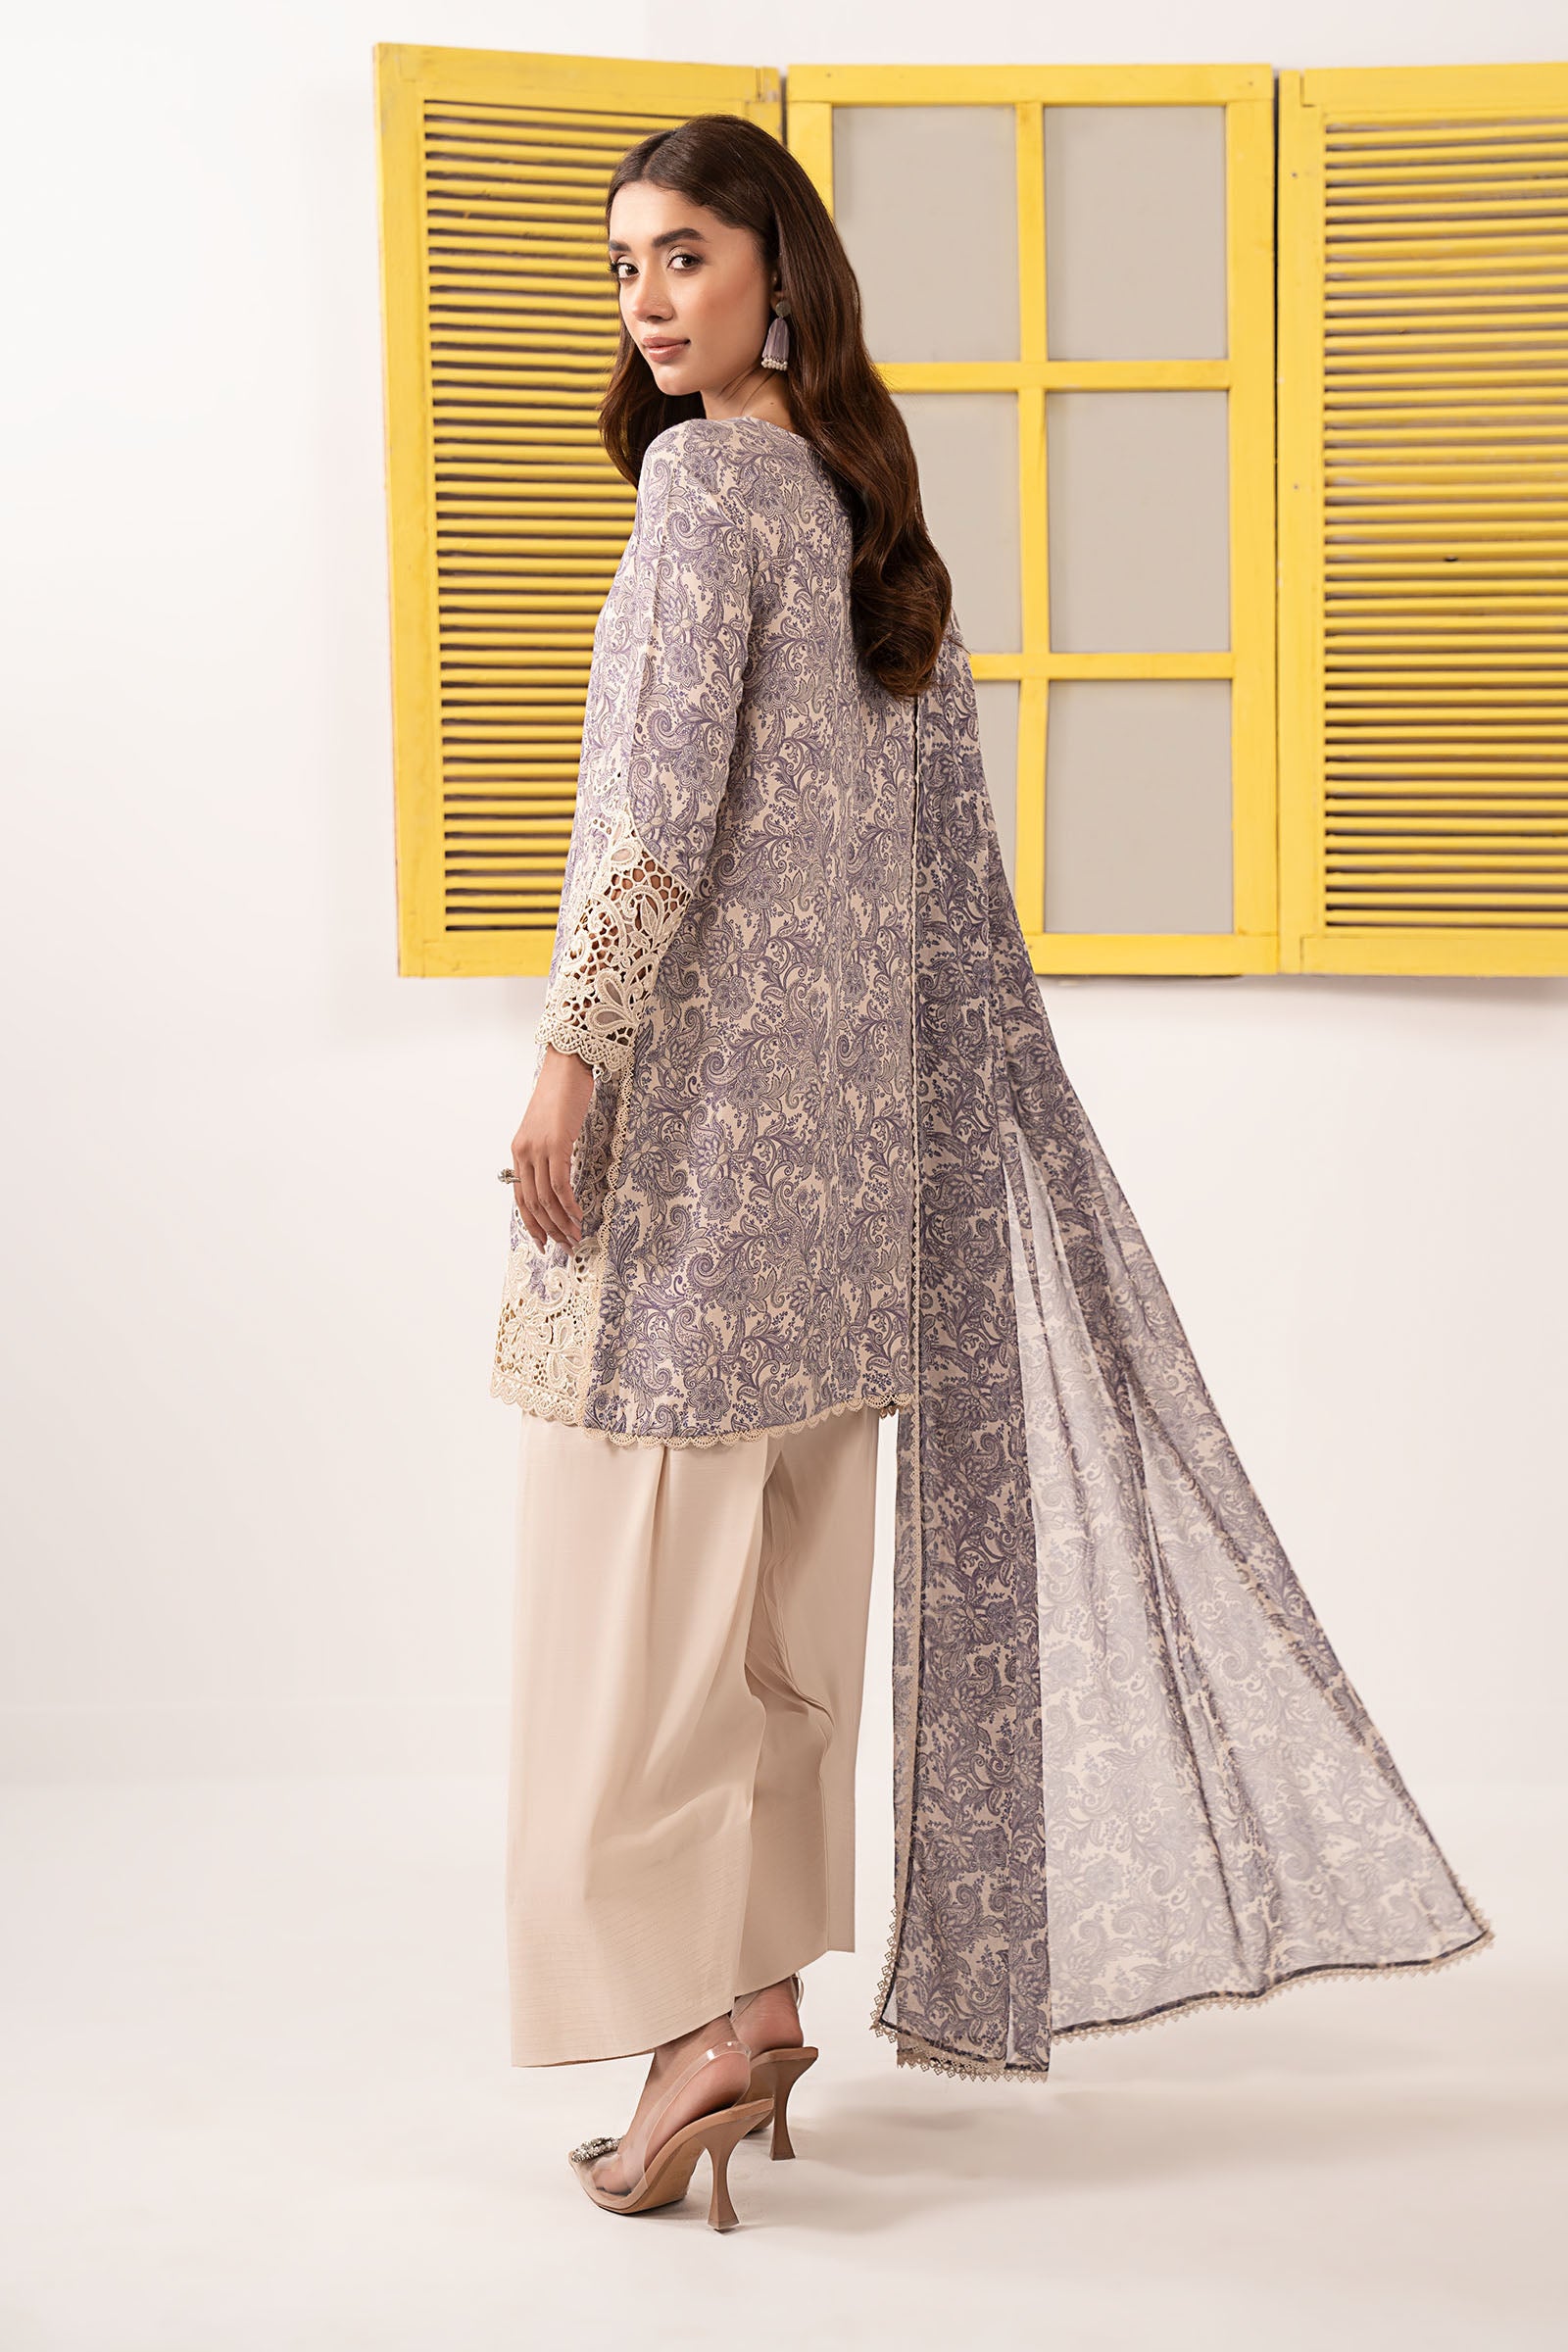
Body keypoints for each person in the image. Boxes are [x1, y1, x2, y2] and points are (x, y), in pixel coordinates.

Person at [493, 115, 1494, 2230]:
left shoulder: (703, 491)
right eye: (623, 268)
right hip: (857, 1186)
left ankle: (693, 2034)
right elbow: (926, 890)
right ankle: (761, 2006)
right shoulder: (871, 518)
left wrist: (573, 1053)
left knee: (643, 1637)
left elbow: (656, 812)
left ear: (778, 271)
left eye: (684, 255)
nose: (648, 302)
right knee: (776, 1622)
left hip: (705, 1166)